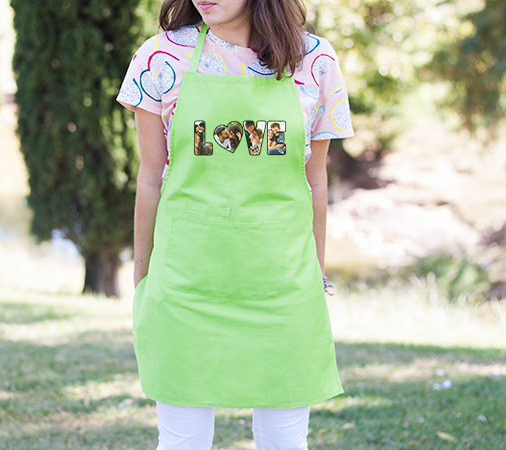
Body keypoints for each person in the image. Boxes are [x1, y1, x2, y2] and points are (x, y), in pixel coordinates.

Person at [116, 0, 354, 448]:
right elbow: (150, 178)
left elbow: (316, 182)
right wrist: (144, 278)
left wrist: (315, 276)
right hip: (186, 285)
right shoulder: (160, 57)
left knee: (285, 442)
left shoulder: (315, 60)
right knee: (182, 442)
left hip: (282, 286)